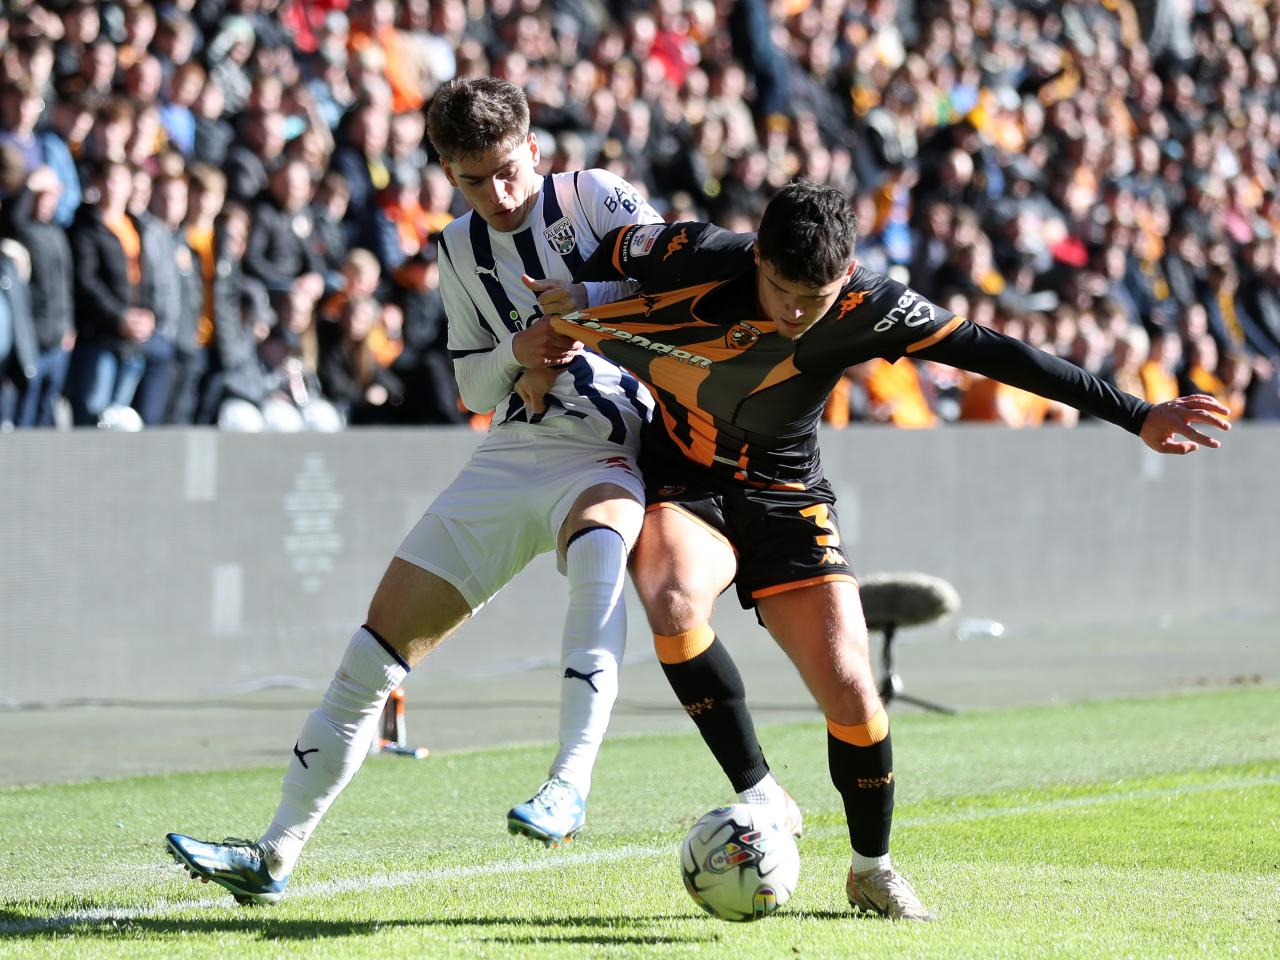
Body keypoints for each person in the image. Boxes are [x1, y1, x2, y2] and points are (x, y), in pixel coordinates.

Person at [521, 180, 1229, 920]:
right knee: (670, 600)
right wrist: (556, 308)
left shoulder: (873, 305)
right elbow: (587, 246)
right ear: (756, 255)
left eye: (816, 296)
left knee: (854, 690)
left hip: (785, 498)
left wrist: (1137, 412)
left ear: (848, 268)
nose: (797, 311)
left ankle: (871, 869)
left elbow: (1000, 354)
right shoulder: (692, 254)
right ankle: (760, 789)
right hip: (684, 476)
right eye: (783, 289)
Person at [165, 75, 707, 904]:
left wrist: (587, 306)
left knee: (601, 561)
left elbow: (679, 290)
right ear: (446, 174)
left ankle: (568, 783)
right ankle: (274, 853)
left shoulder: (597, 197)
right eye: (470, 179)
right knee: (370, 657)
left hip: (606, 450)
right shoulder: (457, 248)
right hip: (509, 456)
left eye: (505, 170)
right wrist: (520, 355)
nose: (495, 193)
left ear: (533, 147)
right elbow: (471, 387)